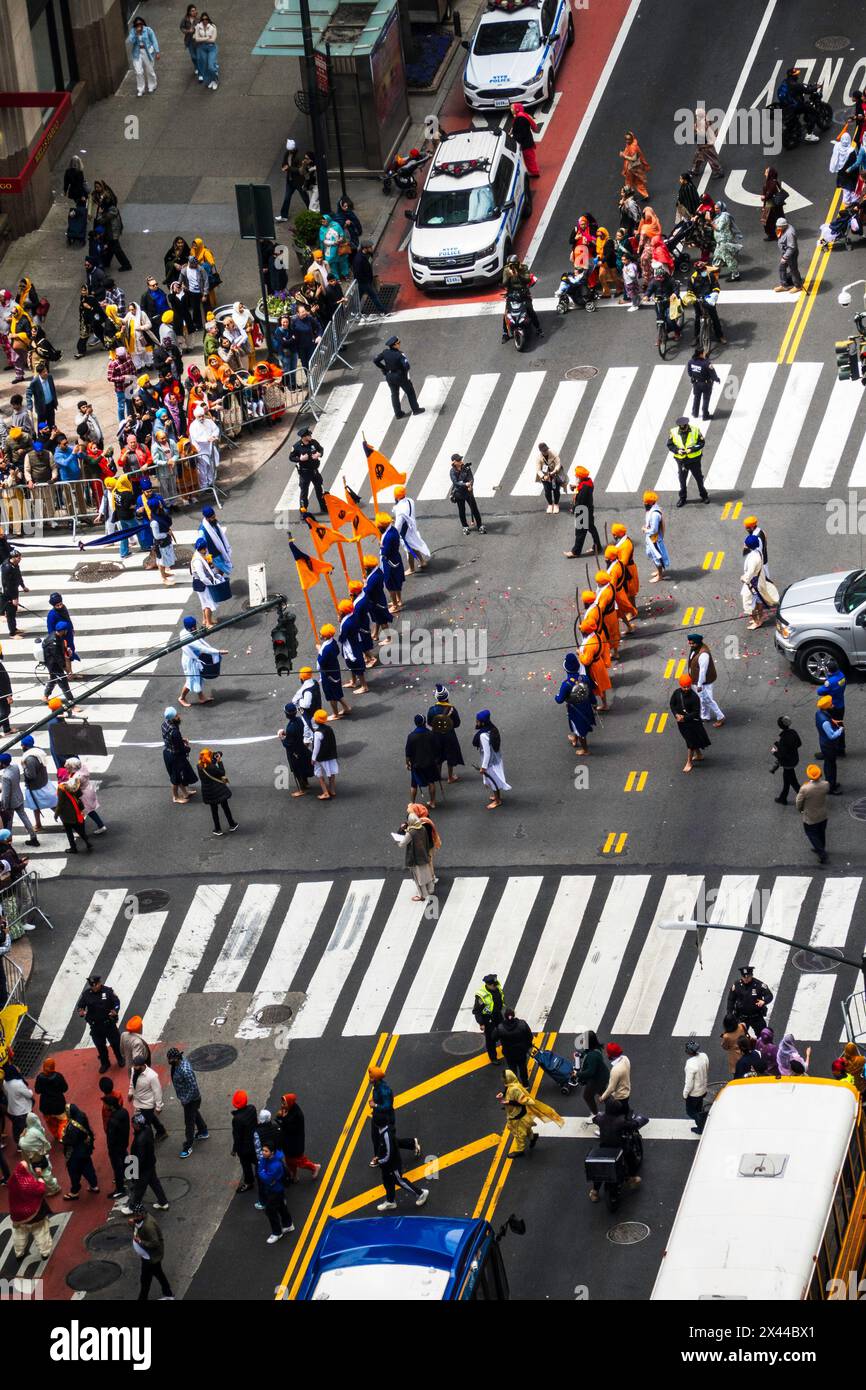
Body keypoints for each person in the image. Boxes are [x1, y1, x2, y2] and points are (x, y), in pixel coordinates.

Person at [499, 1069, 563, 1159]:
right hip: (521, 1114)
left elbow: (522, 1101)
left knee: (518, 1134)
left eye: (503, 1078)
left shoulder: (515, 1089)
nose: (502, 1079)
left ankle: (519, 1150)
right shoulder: (512, 1085)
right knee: (526, 1129)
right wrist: (503, 1094)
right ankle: (533, 1138)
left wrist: (508, 1102)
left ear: (508, 1078)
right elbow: (508, 1092)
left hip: (517, 1115)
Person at [587, 1099, 643, 1200]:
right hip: (619, 1148)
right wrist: (636, 1122)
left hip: (604, 1148)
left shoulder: (601, 1119)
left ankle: (594, 1191)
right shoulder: (620, 1121)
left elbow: (594, 1119)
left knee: (600, 1170)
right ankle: (632, 1178)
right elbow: (633, 1125)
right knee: (630, 1156)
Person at [8, 1160, 54, 1261]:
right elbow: (40, 1190)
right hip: (34, 1214)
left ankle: (19, 1253)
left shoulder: (12, 1180)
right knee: (41, 1232)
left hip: (18, 1215)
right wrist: (41, 1179)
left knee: (20, 1234)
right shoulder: (29, 1183)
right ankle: (44, 1252)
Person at [76, 974, 123, 1073]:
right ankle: (105, 1063)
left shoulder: (108, 991)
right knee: (100, 1046)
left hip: (108, 1024)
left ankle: (120, 1058)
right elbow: (81, 1006)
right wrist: (80, 1011)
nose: (94, 987)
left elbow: (117, 1002)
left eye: (96, 985)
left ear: (99, 983)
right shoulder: (86, 994)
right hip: (96, 1026)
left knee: (115, 1043)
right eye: (92, 985)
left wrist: (115, 1010)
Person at [554, 652, 596, 756]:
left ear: (566, 669)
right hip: (586, 707)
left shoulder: (566, 684)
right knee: (576, 726)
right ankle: (574, 737)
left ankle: (585, 750)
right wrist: (594, 703)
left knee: (580, 729)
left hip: (576, 711)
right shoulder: (585, 678)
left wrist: (556, 695)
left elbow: (559, 700)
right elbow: (591, 692)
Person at [178, 616, 226, 707]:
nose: (194, 628)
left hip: (193, 658)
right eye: (192, 627)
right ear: (188, 627)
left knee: (198, 678)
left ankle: (201, 697)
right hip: (190, 661)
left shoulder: (185, 631)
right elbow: (201, 647)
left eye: (194, 626)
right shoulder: (188, 638)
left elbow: (199, 640)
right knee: (190, 680)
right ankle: (181, 698)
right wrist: (218, 652)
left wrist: (203, 633)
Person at [373, 336, 424, 419]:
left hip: (389, 376)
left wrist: (384, 368)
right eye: (398, 343)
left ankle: (398, 414)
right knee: (410, 392)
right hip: (400, 376)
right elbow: (407, 366)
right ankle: (416, 409)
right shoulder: (399, 355)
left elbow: (375, 360)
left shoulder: (385, 352)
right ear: (394, 345)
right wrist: (404, 374)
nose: (400, 344)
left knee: (394, 394)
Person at [130, 1205, 174, 1300]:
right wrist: (133, 1224)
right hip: (148, 1255)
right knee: (158, 1274)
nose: (134, 1217)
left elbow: (155, 1243)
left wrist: (140, 1242)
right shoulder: (141, 1220)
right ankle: (168, 1294)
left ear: (142, 1215)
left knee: (146, 1279)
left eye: (136, 1216)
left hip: (151, 1257)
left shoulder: (148, 1226)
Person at [275, 1093, 321, 1182]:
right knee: (289, 1161)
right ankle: (294, 1175)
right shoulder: (287, 1109)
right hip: (287, 1143)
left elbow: (288, 1128)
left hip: (295, 1144)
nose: (282, 1105)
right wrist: (279, 1116)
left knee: (299, 1161)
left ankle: (314, 1167)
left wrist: (282, 1118)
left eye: (284, 1104)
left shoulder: (297, 1116)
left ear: (289, 1103)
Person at [668, 415, 709, 507]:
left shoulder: (695, 430)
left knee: (699, 478)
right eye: (681, 428)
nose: (683, 430)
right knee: (682, 480)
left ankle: (704, 495)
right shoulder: (673, 431)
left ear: (687, 425)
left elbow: (701, 443)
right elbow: (670, 445)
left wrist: (692, 449)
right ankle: (682, 498)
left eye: (685, 428)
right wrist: (677, 450)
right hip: (681, 460)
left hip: (694, 460)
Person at [61, 1102, 100, 1198]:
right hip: (85, 1149)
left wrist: (63, 1138)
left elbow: (71, 1141)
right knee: (88, 1167)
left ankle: (75, 1191)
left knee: (74, 1172)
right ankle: (94, 1185)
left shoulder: (72, 1126)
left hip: (75, 1153)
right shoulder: (82, 1117)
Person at [685, 632, 725, 727]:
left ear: (698, 642)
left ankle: (720, 716)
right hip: (696, 680)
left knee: (707, 699)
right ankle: (705, 716)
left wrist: (699, 684)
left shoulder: (703, 655)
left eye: (692, 643)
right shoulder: (695, 648)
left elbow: (703, 671)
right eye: (689, 643)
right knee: (702, 699)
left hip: (703, 682)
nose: (690, 645)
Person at [740, 534, 779, 630]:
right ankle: (759, 619)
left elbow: (749, 573)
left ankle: (757, 621)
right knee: (758, 601)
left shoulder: (753, 558)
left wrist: (743, 578)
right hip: (758, 583)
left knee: (748, 603)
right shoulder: (758, 552)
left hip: (752, 585)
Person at [257, 1143, 294, 1242]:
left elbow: (266, 1177)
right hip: (276, 1189)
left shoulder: (275, 1165)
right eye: (263, 1150)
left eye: (265, 1151)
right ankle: (288, 1224)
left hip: (275, 1190)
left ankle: (277, 1233)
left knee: (270, 1210)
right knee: (281, 1206)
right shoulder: (270, 1159)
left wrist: (261, 1170)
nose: (263, 1153)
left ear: (272, 1152)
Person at [473, 709, 510, 809]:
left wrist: (483, 767)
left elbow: (487, 753)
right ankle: (496, 796)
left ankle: (497, 801)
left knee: (493, 781)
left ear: (482, 722)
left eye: (478, 721)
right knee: (495, 780)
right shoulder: (492, 729)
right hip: (496, 759)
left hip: (490, 763)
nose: (476, 723)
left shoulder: (483, 735)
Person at [198, 747, 238, 836]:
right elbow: (222, 772)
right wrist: (219, 761)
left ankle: (217, 829)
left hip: (208, 792)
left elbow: (209, 763)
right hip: (218, 790)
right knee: (225, 807)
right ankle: (232, 824)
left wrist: (214, 756)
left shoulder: (199, 766)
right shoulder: (212, 767)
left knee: (214, 810)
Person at [426, 685, 464, 782]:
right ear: (447, 697)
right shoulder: (451, 709)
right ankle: (450, 777)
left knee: (438, 756)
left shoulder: (432, 710)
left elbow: (430, 723)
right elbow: (457, 723)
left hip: (436, 736)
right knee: (450, 755)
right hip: (449, 735)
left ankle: (438, 776)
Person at [564, 466, 602, 558]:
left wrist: (573, 509)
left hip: (583, 512)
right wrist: (576, 487)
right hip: (588, 510)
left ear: (580, 477)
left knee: (580, 532)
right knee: (591, 528)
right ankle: (597, 546)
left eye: (576, 476)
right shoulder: (587, 483)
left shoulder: (584, 488)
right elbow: (582, 488)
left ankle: (576, 552)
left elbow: (580, 502)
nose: (575, 478)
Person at [796, 763, 830, 864]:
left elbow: (799, 802)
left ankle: (821, 852)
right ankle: (821, 847)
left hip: (810, 816)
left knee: (811, 834)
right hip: (822, 814)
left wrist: (800, 810)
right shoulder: (825, 785)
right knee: (821, 832)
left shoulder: (805, 788)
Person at [726, 964, 773, 1035]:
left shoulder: (758, 985)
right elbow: (731, 999)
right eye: (744, 977)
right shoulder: (737, 985)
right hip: (742, 1017)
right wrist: (729, 1013)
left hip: (756, 1016)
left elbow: (769, 995)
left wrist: (764, 1001)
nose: (746, 979)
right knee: (739, 1037)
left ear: (751, 975)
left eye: (748, 977)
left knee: (763, 1036)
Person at [279, 701, 314, 797]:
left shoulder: (291, 727)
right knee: (303, 765)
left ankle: (301, 789)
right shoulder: (299, 720)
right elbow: (295, 734)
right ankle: (306, 783)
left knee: (296, 769)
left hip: (294, 752)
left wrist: (281, 738)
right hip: (301, 747)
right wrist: (287, 734)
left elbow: (288, 744)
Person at [404, 716, 439, 811]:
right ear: (424, 722)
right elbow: (436, 748)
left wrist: (407, 763)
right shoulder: (431, 734)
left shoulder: (411, 736)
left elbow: (408, 752)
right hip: (430, 763)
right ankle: (432, 802)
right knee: (431, 782)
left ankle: (412, 803)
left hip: (416, 764)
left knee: (414, 784)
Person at [393, 485, 430, 572]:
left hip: (405, 531)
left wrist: (394, 534)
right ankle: (422, 561)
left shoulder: (399, 509)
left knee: (408, 550)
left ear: (396, 497)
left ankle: (411, 568)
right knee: (414, 544)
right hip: (412, 528)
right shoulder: (410, 500)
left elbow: (398, 525)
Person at [492, 1010, 533, 1086]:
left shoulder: (500, 1027)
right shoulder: (522, 1024)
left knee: (512, 1068)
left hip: (508, 1052)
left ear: (505, 1016)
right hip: (521, 1050)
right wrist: (528, 1046)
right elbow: (529, 1036)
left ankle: (515, 1084)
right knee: (522, 1067)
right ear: (513, 1015)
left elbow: (493, 1037)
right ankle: (525, 1083)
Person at [290, 428, 325, 513]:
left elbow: (321, 449)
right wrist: (300, 459)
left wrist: (319, 454)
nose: (311, 436)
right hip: (305, 473)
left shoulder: (313, 442)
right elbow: (291, 457)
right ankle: (303, 511)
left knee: (319, 489)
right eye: (309, 435)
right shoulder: (297, 446)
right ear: (304, 437)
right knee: (304, 493)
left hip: (315, 471)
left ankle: (324, 507)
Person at [473, 973, 505, 1065]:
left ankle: (506, 1050)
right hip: (488, 1019)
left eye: (495, 984)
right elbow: (477, 1011)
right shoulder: (481, 995)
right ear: (487, 985)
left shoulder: (497, 988)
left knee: (504, 1033)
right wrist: (481, 1023)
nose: (495, 986)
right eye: (493, 985)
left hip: (498, 1015)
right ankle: (493, 1057)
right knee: (491, 1039)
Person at [33, 1057, 68, 1141]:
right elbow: (65, 1088)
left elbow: (37, 1091)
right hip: (58, 1104)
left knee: (51, 1123)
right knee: (63, 1121)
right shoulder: (58, 1076)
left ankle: (56, 1135)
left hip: (46, 1106)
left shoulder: (40, 1078)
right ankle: (62, 1135)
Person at [575, 1031, 609, 1118]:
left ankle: (595, 1115)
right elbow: (587, 1054)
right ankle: (615, 1108)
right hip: (602, 1075)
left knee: (587, 1096)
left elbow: (590, 1072)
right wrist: (581, 1054)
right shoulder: (596, 1049)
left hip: (596, 1079)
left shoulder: (592, 1056)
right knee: (602, 1092)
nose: (582, 1041)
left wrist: (577, 1074)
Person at [104, 1094, 131, 1200]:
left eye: (105, 1104)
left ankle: (120, 1189)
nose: (104, 1106)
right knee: (125, 1157)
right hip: (123, 1143)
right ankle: (132, 1175)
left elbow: (111, 1137)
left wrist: (110, 1149)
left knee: (117, 1167)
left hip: (115, 1147)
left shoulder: (113, 1120)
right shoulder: (124, 1112)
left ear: (111, 1106)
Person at [449, 455, 484, 534]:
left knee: (474, 508)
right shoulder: (452, 471)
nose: (461, 461)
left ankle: (480, 525)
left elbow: (471, 478)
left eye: (460, 459)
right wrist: (465, 484)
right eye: (458, 460)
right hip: (459, 493)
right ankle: (465, 526)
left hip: (468, 492)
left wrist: (470, 485)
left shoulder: (466, 468)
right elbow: (456, 483)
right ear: (454, 462)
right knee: (462, 510)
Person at [815, 696, 844, 794]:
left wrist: (833, 722)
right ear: (827, 707)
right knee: (831, 765)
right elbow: (831, 736)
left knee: (829, 764)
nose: (833, 705)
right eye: (831, 704)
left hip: (824, 743)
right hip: (829, 745)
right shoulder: (825, 722)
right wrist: (840, 730)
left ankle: (831, 783)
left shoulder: (819, 713)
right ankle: (831, 787)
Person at [231, 1089, 258, 1192]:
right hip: (254, 1142)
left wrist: (234, 1149)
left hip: (244, 1147)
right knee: (257, 1160)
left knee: (246, 1165)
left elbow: (237, 1136)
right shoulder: (252, 1109)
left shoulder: (237, 1119)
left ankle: (249, 1182)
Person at [352, 242, 389, 316]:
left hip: (365, 281)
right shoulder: (359, 259)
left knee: (359, 295)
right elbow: (357, 272)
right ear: (365, 249)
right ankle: (383, 311)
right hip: (364, 282)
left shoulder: (366, 255)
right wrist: (366, 281)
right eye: (370, 247)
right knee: (373, 296)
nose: (372, 249)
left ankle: (354, 311)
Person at [771, 715, 801, 804]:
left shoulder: (783, 739)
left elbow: (782, 755)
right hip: (794, 759)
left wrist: (774, 752)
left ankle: (805, 798)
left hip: (788, 763)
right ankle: (783, 798)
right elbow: (799, 743)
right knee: (787, 780)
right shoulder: (793, 732)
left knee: (794, 783)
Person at [128, 15, 161, 97]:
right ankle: (140, 89)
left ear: (143, 23)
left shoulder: (148, 30)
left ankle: (152, 85)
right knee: (138, 72)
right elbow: (131, 41)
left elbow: (154, 40)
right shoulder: (133, 31)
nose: (139, 26)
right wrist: (136, 33)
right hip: (137, 52)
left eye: (141, 24)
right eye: (137, 24)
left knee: (150, 70)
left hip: (148, 52)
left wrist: (157, 52)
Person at [310, 708, 339, 799]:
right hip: (331, 754)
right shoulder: (329, 729)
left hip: (321, 757)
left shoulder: (317, 733)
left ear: (316, 720)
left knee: (319, 773)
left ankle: (325, 792)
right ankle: (332, 790)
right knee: (332, 772)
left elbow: (316, 748)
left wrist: (313, 758)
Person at [683, 1039, 708, 1134]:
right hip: (703, 1088)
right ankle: (702, 1119)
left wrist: (685, 1094)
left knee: (691, 1112)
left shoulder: (690, 1064)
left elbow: (689, 1083)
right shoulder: (704, 1056)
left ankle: (701, 1125)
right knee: (698, 1107)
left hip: (694, 1093)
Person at [687, 347, 719, 422]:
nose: (705, 353)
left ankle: (695, 413)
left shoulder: (691, 362)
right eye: (704, 352)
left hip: (696, 383)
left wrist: (694, 376)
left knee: (696, 398)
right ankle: (705, 415)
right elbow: (713, 374)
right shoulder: (706, 363)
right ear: (701, 354)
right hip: (706, 384)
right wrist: (717, 379)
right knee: (706, 399)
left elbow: (689, 373)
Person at [3, 1062, 33, 1141]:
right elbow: (29, 1095)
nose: (17, 1068)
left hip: (12, 1109)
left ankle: (19, 1143)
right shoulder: (18, 1083)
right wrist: (30, 1091)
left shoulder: (4, 1083)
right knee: (26, 1127)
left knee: (16, 1128)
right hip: (22, 1110)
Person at [1, 550, 27, 638]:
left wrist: (23, 586)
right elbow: (7, 585)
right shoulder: (7, 568)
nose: (20, 559)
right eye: (19, 558)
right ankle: (12, 633)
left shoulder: (15, 565)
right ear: (13, 558)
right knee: (10, 614)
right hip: (7, 594)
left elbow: (18, 576)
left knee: (13, 611)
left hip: (13, 591)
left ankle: (14, 629)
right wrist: (14, 598)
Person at [774, 218, 803, 293]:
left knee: (793, 270)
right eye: (777, 226)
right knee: (782, 267)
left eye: (779, 227)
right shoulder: (784, 228)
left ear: (784, 226)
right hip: (785, 252)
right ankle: (784, 285)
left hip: (790, 254)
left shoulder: (790, 233)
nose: (777, 228)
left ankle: (798, 286)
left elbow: (791, 247)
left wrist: (785, 257)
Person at [620, 130, 650, 199]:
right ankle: (645, 194)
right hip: (635, 167)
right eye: (626, 139)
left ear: (632, 138)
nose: (627, 141)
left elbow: (634, 158)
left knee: (628, 181)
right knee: (637, 181)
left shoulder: (633, 147)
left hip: (631, 167)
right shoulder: (632, 143)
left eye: (628, 139)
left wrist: (624, 156)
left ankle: (628, 195)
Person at [600, 1041, 631, 1108]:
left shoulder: (615, 1070)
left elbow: (611, 1088)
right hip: (626, 1092)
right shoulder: (626, 1058)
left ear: (610, 1055)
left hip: (619, 1097)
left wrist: (602, 1098)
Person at [535, 443, 564, 513]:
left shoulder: (553, 453)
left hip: (555, 474)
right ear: (541, 451)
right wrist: (543, 476)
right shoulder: (539, 458)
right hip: (545, 477)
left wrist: (555, 471)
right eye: (544, 451)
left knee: (556, 490)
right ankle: (550, 504)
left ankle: (556, 504)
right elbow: (538, 470)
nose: (546, 451)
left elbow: (558, 463)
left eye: (546, 450)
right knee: (547, 491)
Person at [194, 12, 219, 90]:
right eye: (203, 19)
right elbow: (196, 39)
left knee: (211, 66)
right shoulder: (198, 26)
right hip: (202, 48)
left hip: (211, 48)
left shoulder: (213, 27)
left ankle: (215, 79)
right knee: (205, 66)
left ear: (208, 19)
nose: (205, 21)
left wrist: (203, 40)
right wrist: (207, 38)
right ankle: (211, 80)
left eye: (206, 19)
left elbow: (213, 40)